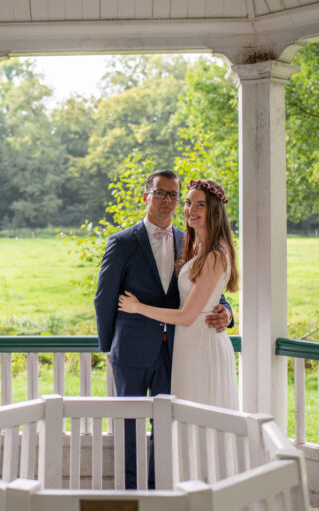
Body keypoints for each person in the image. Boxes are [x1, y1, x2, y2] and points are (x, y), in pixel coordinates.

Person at [94, 170, 233, 490]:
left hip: (177, 351)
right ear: (146, 197)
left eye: (174, 195)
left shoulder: (191, 240)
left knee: (169, 425)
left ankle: (162, 490)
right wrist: (108, 349)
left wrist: (227, 313)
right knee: (129, 424)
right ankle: (132, 494)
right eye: (161, 193)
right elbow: (104, 298)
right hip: (131, 350)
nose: (169, 201)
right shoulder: (123, 242)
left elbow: (209, 292)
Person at [118, 179, 239, 410]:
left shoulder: (214, 253)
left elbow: (189, 313)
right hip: (181, 345)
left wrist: (137, 307)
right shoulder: (193, 245)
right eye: (187, 202)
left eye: (200, 205)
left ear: (214, 210)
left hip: (201, 343)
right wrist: (110, 348)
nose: (190, 210)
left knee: (201, 416)